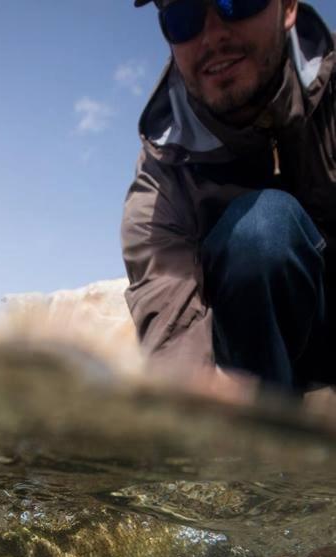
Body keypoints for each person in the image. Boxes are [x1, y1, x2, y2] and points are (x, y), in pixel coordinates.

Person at [121, 0, 336, 393]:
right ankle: (267, 442)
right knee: (262, 232)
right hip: (253, 361)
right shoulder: (160, 178)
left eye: (237, 1)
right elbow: (173, 339)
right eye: (183, 17)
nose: (213, 35)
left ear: (288, 6)